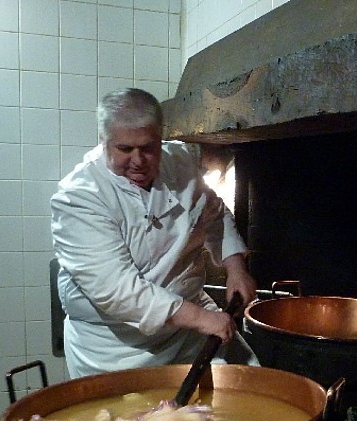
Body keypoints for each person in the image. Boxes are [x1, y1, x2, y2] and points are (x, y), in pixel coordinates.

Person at [50, 88, 259, 379]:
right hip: (116, 350)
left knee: (244, 391)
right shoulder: (79, 198)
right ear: (103, 141)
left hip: (188, 334)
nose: (138, 160)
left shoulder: (181, 162)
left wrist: (236, 268)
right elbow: (118, 290)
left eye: (148, 148)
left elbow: (214, 213)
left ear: (160, 138)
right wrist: (201, 318)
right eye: (124, 149)